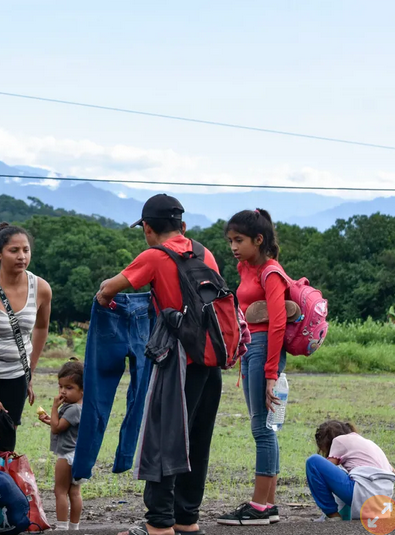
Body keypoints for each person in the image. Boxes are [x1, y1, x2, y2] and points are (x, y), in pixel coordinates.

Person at [95, 194, 222, 535]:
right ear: (183, 226)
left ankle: (159, 524)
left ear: (148, 229)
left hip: (178, 361)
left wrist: (105, 299)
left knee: (164, 440)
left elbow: (108, 289)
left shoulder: (154, 256)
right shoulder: (205, 253)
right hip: (210, 362)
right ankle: (186, 519)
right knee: (197, 442)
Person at [217, 209, 288, 527]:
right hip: (250, 349)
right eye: (230, 241)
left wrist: (271, 375)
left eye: (239, 240)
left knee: (263, 427)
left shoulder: (271, 272)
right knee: (264, 426)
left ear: (259, 240)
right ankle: (267, 505)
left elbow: (278, 324)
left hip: (264, 350)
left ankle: (259, 507)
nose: (233, 247)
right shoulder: (245, 267)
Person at [0, 223, 52, 442]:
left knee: (4, 448)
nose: (21, 256)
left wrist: (29, 373)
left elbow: (41, 328)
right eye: (14, 250)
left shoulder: (41, 288)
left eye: (26, 250)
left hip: (16, 378)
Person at [306, 420, 395, 522]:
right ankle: (343, 516)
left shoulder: (339, 440)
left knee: (313, 462)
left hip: (364, 496)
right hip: (383, 506)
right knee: (347, 474)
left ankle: (332, 515)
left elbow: (325, 470)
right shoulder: (369, 443)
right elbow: (394, 472)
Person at [39, 359, 84, 531]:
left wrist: (53, 408)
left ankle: (62, 527)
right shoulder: (79, 407)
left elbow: (57, 428)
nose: (63, 391)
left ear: (82, 390)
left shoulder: (72, 409)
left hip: (66, 456)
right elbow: (62, 425)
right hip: (77, 454)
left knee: (60, 491)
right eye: (61, 386)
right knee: (74, 492)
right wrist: (49, 420)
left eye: (69, 387)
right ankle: (74, 527)